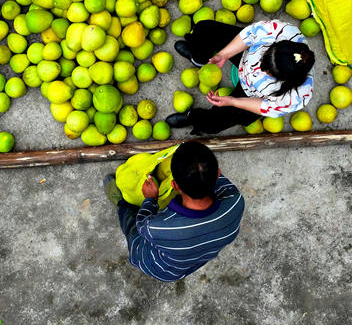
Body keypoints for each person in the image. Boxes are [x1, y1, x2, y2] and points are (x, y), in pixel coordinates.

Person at [105, 141, 244, 282]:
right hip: (194, 261)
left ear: (174, 185)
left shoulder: (157, 227)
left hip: (160, 267)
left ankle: (120, 202)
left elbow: (142, 224)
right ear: (218, 174)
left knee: (131, 222)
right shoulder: (236, 201)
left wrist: (150, 199)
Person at [166, 19, 315, 135]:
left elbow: (265, 106)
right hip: (245, 55)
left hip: (251, 95)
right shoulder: (281, 31)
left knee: (213, 124)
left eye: (267, 71)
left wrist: (233, 101)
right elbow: (248, 35)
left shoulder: (296, 96)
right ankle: (199, 59)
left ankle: (193, 117)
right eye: (265, 57)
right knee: (203, 29)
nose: (257, 68)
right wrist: (223, 54)